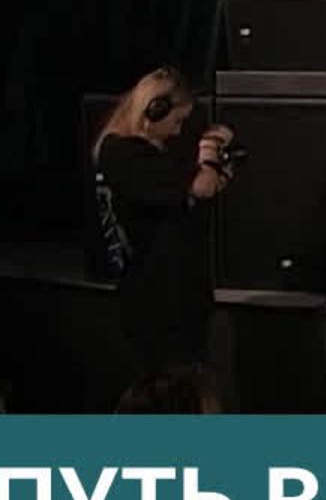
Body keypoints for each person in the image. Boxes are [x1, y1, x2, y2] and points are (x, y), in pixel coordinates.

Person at [90, 66, 232, 373]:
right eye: (177, 120)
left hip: (164, 298)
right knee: (171, 386)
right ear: (155, 109)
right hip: (160, 303)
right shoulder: (127, 154)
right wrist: (210, 146)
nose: (178, 131)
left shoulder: (133, 154)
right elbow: (200, 186)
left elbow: (187, 195)